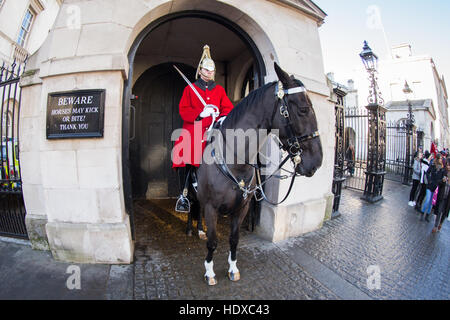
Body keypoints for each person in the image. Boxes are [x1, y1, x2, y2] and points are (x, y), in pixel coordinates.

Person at [172, 45, 234, 212]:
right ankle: (184, 195)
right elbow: (183, 111)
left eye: (212, 71)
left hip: (214, 129)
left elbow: (227, 109)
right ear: (200, 71)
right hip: (194, 130)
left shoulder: (219, 90)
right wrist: (200, 113)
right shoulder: (189, 89)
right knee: (188, 153)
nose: (209, 73)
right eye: (206, 71)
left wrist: (219, 116)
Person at [421, 153, 445, 222]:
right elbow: (427, 173)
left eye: (441, 158)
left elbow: (442, 178)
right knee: (427, 200)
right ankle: (422, 213)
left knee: (431, 202)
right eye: (440, 158)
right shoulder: (432, 165)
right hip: (430, 185)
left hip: (436, 187)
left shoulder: (442, 169)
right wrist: (429, 180)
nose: (441, 160)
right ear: (437, 159)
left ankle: (427, 215)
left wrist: (440, 181)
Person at [432, 158, 450, 233]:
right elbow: (438, 182)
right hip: (442, 195)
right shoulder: (443, 171)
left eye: (449, 165)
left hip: (448, 198)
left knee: (444, 212)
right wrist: (442, 181)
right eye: (447, 165)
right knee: (439, 211)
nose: (448, 166)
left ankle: (441, 223)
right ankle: (435, 226)